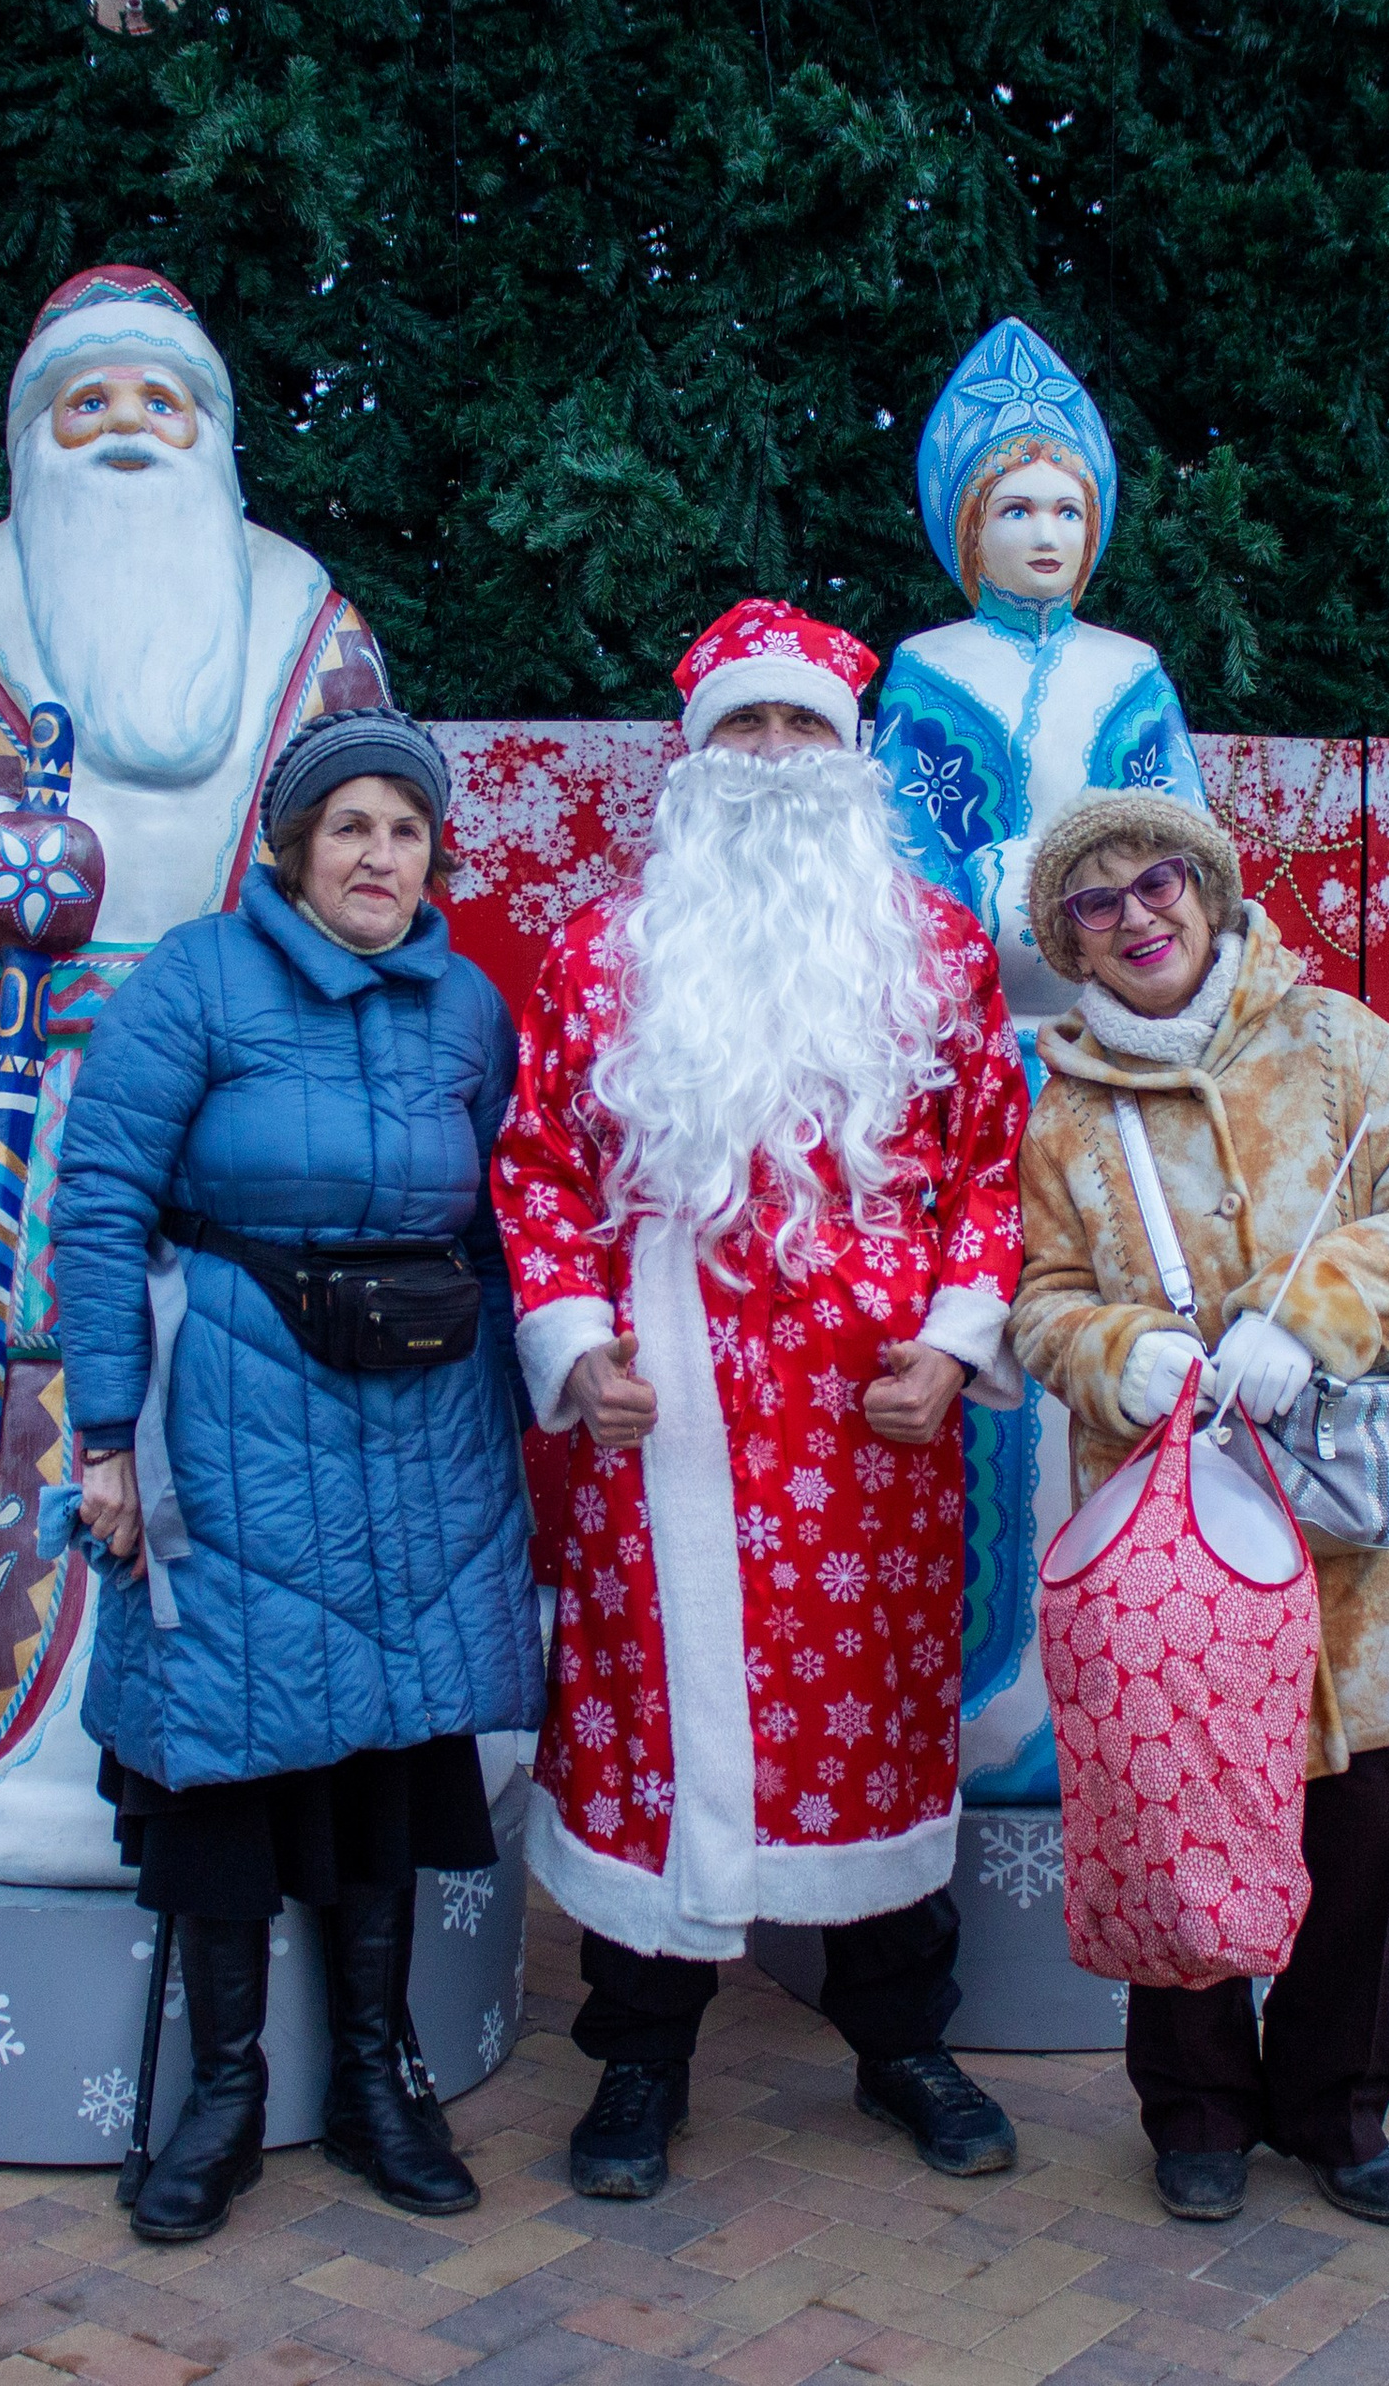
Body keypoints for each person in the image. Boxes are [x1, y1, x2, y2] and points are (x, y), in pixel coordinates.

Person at [0, 267, 396, 1885]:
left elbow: (373, 822)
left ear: (215, 433)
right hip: (19, 1090)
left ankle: (264, 1777)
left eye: (159, 401)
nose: (124, 429)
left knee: (254, 1418)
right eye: (86, 402)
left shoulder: (300, 611)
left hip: (250, 1103)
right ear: (35, 434)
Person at [494, 599, 1032, 2202]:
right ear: (694, 757)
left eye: (806, 728)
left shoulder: (934, 951)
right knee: (656, 1722)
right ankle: (640, 2056)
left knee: (869, 1713)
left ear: (852, 760)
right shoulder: (606, 951)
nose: (778, 757)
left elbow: (992, 1164)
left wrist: (952, 1343)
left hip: (874, 1427)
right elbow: (536, 1167)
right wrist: (576, 1343)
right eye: (748, 727)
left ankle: (899, 2042)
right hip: (662, 1422)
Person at [51, 709, 547, 2244]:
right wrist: (108, 1436)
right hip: (237, 1423)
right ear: (290, 847)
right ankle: (223, 2095)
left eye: (406, 829)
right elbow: (100, 1205)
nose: (380, 855)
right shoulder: (192, 986)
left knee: (394, 1750)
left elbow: (495, 1224)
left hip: (422, 1434)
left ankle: (375, 2084)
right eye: (351, 827)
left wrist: (539, 1402)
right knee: (226, 1746)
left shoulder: (466, 1009)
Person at [1009, 785, 1389, 2229]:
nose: (1135, 917)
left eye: (1155, 880)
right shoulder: (1067, 1114)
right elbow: (1043, 1304)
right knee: (1181, 1820)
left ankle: (1338, 2107)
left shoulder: (1342, 1044)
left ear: (1211, 888)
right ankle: (1197, 2109)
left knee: (1368, 1830)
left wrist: (1316, 1315)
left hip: (1351, 1534)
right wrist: (1124, 1353)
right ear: (1072, 942)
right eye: (1094, 904)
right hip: (1176, 1533)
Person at [869, 316, 1210, 1807]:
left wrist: (1112, 916)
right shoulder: (926, 673)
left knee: (1116, 1347)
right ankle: (985, 1677)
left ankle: (1112, 1654)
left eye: (1069, 506)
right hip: (977, 1069)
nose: (1046, 532)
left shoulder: (1133, 675)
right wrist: (1009, 898)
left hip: (1115, 1067)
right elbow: (897, 865)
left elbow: (1189, 858)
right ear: (965, 527)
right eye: (1016, 506)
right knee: (993, 1358)